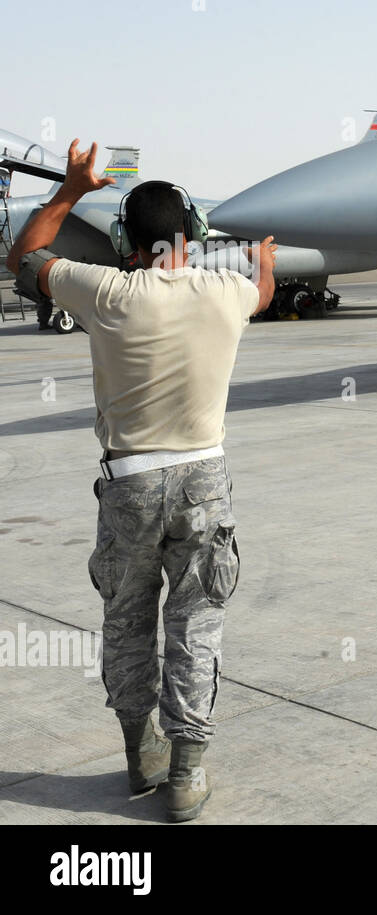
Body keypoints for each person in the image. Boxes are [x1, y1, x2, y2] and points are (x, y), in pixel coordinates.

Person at [6, 139, 276, 822]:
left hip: (127, 484)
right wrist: (264, 262)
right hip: (202, 484)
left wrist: (69, 189)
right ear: (195, 236)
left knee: (127, 622)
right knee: (196, 624)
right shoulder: (227, 291)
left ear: (126, 238)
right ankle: (186, 773)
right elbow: (263, 292)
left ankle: (141, 750)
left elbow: (24, 257)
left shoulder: (104, 291)